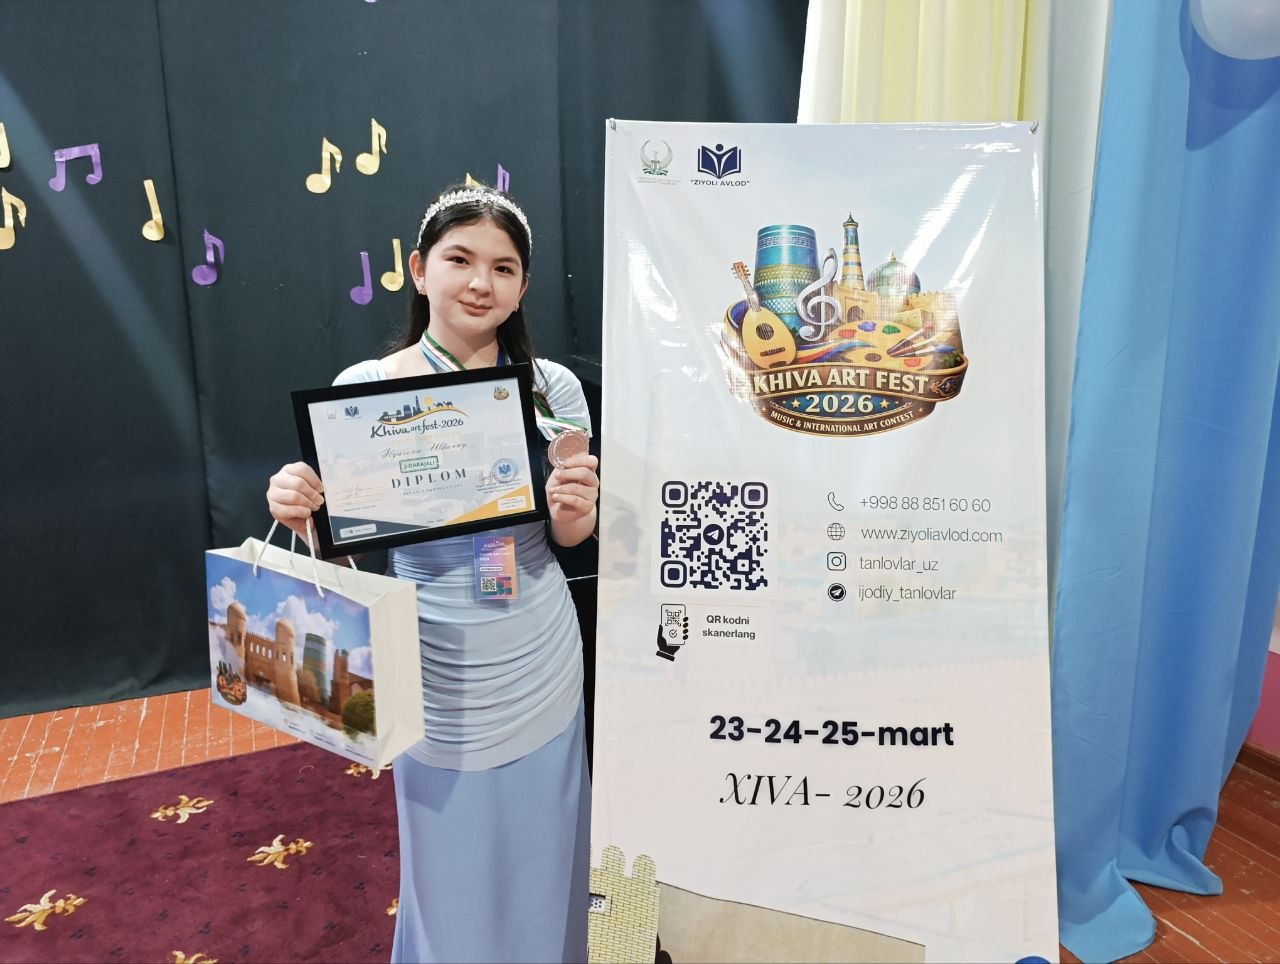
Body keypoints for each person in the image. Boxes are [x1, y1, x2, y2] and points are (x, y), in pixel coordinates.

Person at [266, 183, 599, 963]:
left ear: (523, 287)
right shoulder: (364, 391)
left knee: (549, 843)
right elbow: (346, 556)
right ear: (420, 270)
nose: (481, 282)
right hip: (429, 655)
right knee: (449, 858)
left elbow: (569, 536)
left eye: (503, 268)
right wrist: (305, 510)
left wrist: (576, 506)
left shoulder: (552, 388)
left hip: (538, 645)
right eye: (460, 260)